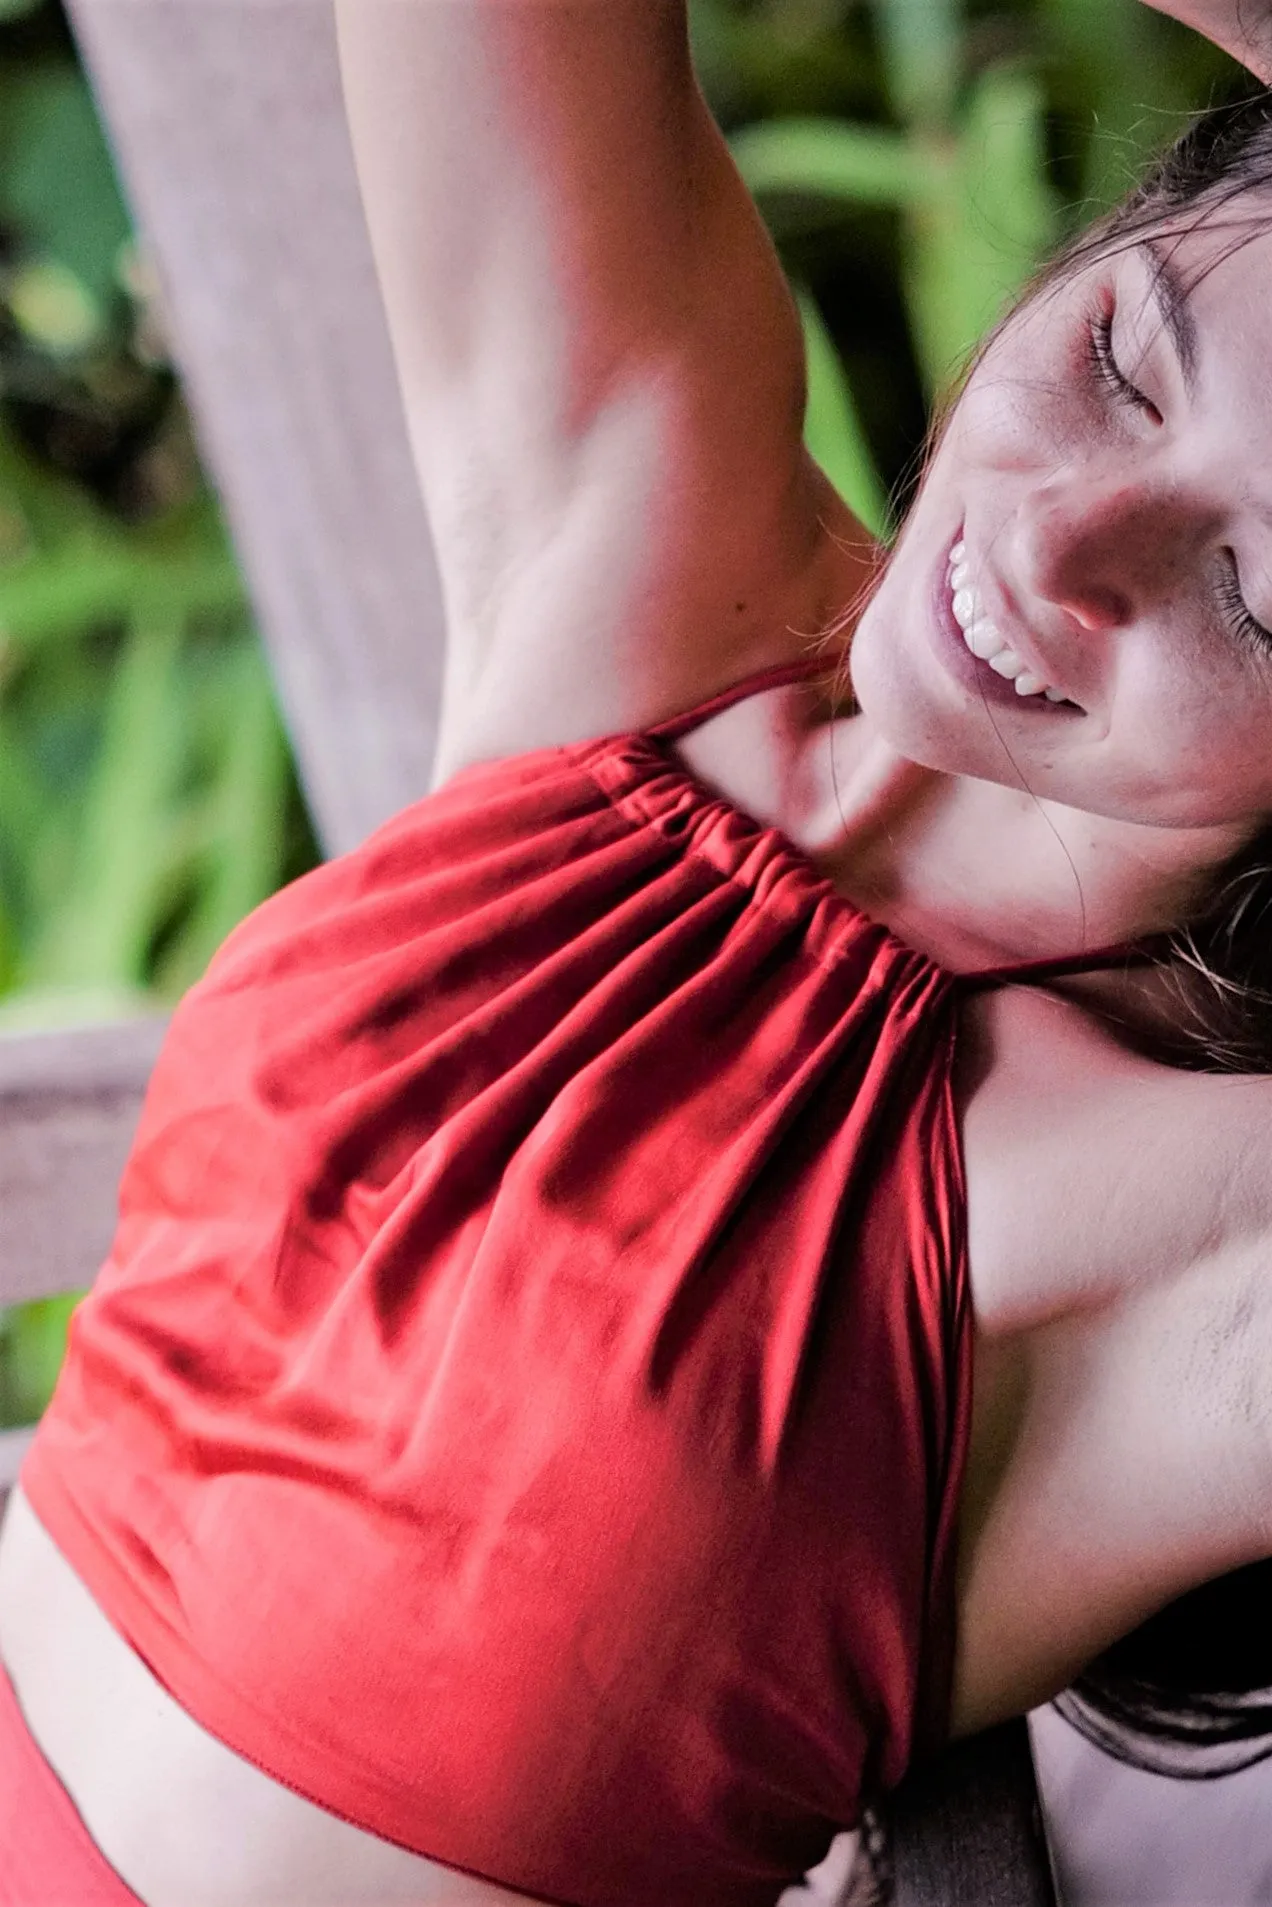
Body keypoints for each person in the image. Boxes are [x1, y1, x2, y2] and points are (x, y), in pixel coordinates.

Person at [6, 0, 1272, 1902]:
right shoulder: (645, 564)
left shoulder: (1193, 1244)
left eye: (1261, 595)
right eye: (1121, 363)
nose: (1065, 544)